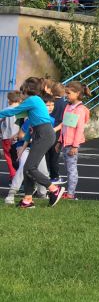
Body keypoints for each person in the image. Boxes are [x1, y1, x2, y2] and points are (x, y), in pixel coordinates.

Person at [0, 77, 65, 208]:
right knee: (27, 168)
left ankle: (54, 189)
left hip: (44, 134)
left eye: (22, 91)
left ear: (27, 90)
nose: (21, 95)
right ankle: (28, 200)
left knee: (30, 168)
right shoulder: (35, 100)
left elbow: (13, 111)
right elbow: (30, 125)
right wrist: (24, 145)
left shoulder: (32, 100)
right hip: (40, 134)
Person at [59, 82, 90, 199]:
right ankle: (69, 192)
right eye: (65, 93)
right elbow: (64, 125)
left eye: (68, 93)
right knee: (68, 169)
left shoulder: (80, 109)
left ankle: (71, 194)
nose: (66, 95)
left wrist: (75, 145)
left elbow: (80, 129)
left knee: (72, 169)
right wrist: (59, 140)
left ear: (77, 93)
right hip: (65, 142)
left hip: (72, 144)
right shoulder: (68, 107)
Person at [1, 90, 21, 182]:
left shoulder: (5, 110)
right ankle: (20, 176)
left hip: (7, 137)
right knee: (19, 157)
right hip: (19, 136)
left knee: (9, 157)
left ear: (9, 100)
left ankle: (13, 175)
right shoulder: (22, 110)